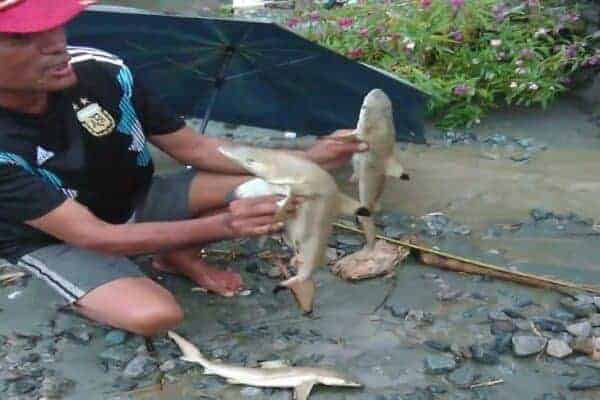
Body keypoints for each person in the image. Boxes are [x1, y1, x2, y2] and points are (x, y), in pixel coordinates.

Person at [0, 0, 367, 337]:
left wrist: (309, 157)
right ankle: (84, 283)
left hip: (138, 198)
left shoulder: (104, 71)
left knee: (286, 186)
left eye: (56, 24)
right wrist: (224, 224)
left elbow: (195, 148)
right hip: (63, 238)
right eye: (21, 37)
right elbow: (96, 236)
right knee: (154, 316)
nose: (55, 44)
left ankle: (175, 252)